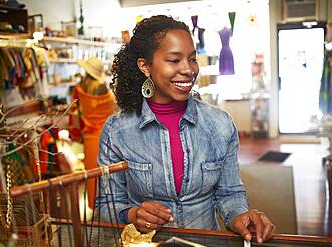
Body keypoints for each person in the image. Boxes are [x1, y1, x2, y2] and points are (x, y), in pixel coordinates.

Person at [96, 15, 275, 243]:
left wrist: (240, 215)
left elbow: (230, 193)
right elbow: (105, 205)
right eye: (174, 60)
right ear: (145, 66)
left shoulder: (220, 124)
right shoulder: (117, 132)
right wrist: (132, 214)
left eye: (192, 59)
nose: (189, 70)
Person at [73, 56, 116, 208]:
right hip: (107, 138)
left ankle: (95, 208)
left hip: (90, 138)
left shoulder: (79, 90)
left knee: (92, 177)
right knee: (109, 176)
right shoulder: (106, 91)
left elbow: (75, 114)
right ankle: (110, 211)